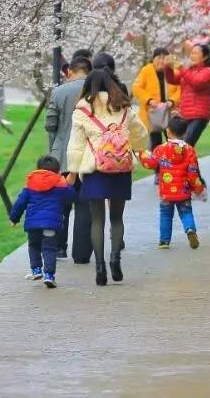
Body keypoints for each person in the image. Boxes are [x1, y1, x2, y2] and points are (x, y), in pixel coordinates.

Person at [66, 69, 148, 286]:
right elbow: (140, 132)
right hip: (120, 168)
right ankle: (115, 259)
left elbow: (76, 144)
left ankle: (100, 266)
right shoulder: (122, 105)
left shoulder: (83, 109)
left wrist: (72, 172)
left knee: (97, 219)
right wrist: (139, 149)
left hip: (94, 169)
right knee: (117, 218)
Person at [44, 53, 93, 261]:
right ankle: (81, 254)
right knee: (84, 204)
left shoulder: (59, 91)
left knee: (60, 204)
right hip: (87, 156)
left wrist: (55, 144)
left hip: (62, 155)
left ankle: (58, 247)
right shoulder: (95, 92)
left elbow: (50, 124)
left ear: (70, 72)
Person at [139, 115, 206, 250]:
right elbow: (193, 172)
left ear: (168, 131)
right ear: (185, 132)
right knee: (186, 212)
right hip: (184, 192)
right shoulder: (189, 150)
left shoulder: (161, 149)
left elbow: (151, 163)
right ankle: (190, 230)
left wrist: (142, 154)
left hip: (166, 192)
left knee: (166, 215)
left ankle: (164, 241)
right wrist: (198, 188)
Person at [9, 155, 77, 288]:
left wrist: (14, 218)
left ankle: (36, 270)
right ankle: (49, 275)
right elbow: (71, 196)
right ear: (57, 171)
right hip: (51, 225)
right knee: (49, 249)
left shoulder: (30, 185)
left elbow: (20, 203)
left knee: (33, 246)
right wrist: (68, 184)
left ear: (38, 169)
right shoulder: (60, 184)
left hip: (33, 225)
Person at [164, 43, 210, 147]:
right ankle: (188, 163)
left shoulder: (209, 72)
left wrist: (181, 68)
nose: (192, 56)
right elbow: (172, 80)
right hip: (185, 114)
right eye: (191, 53)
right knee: (181, 146)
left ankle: (190, 163)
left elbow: (196, 83)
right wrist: (168, 67)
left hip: (199, 115)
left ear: (205, 57)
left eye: (196, 53)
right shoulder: (189, 70)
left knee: (185, 145)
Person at [133, 48, 181, 149]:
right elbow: (136, 88)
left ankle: (173, 163)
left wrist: (172, 101)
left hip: (170, 112)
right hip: (153, 113)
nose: (161, 61)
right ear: (153, 59)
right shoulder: (146, 70)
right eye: (158, 57)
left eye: (164, 58)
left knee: (173, 142)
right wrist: (149, 100)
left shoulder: (174, 72)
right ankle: (156, 164)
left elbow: (181, 89)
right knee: (156, 143)